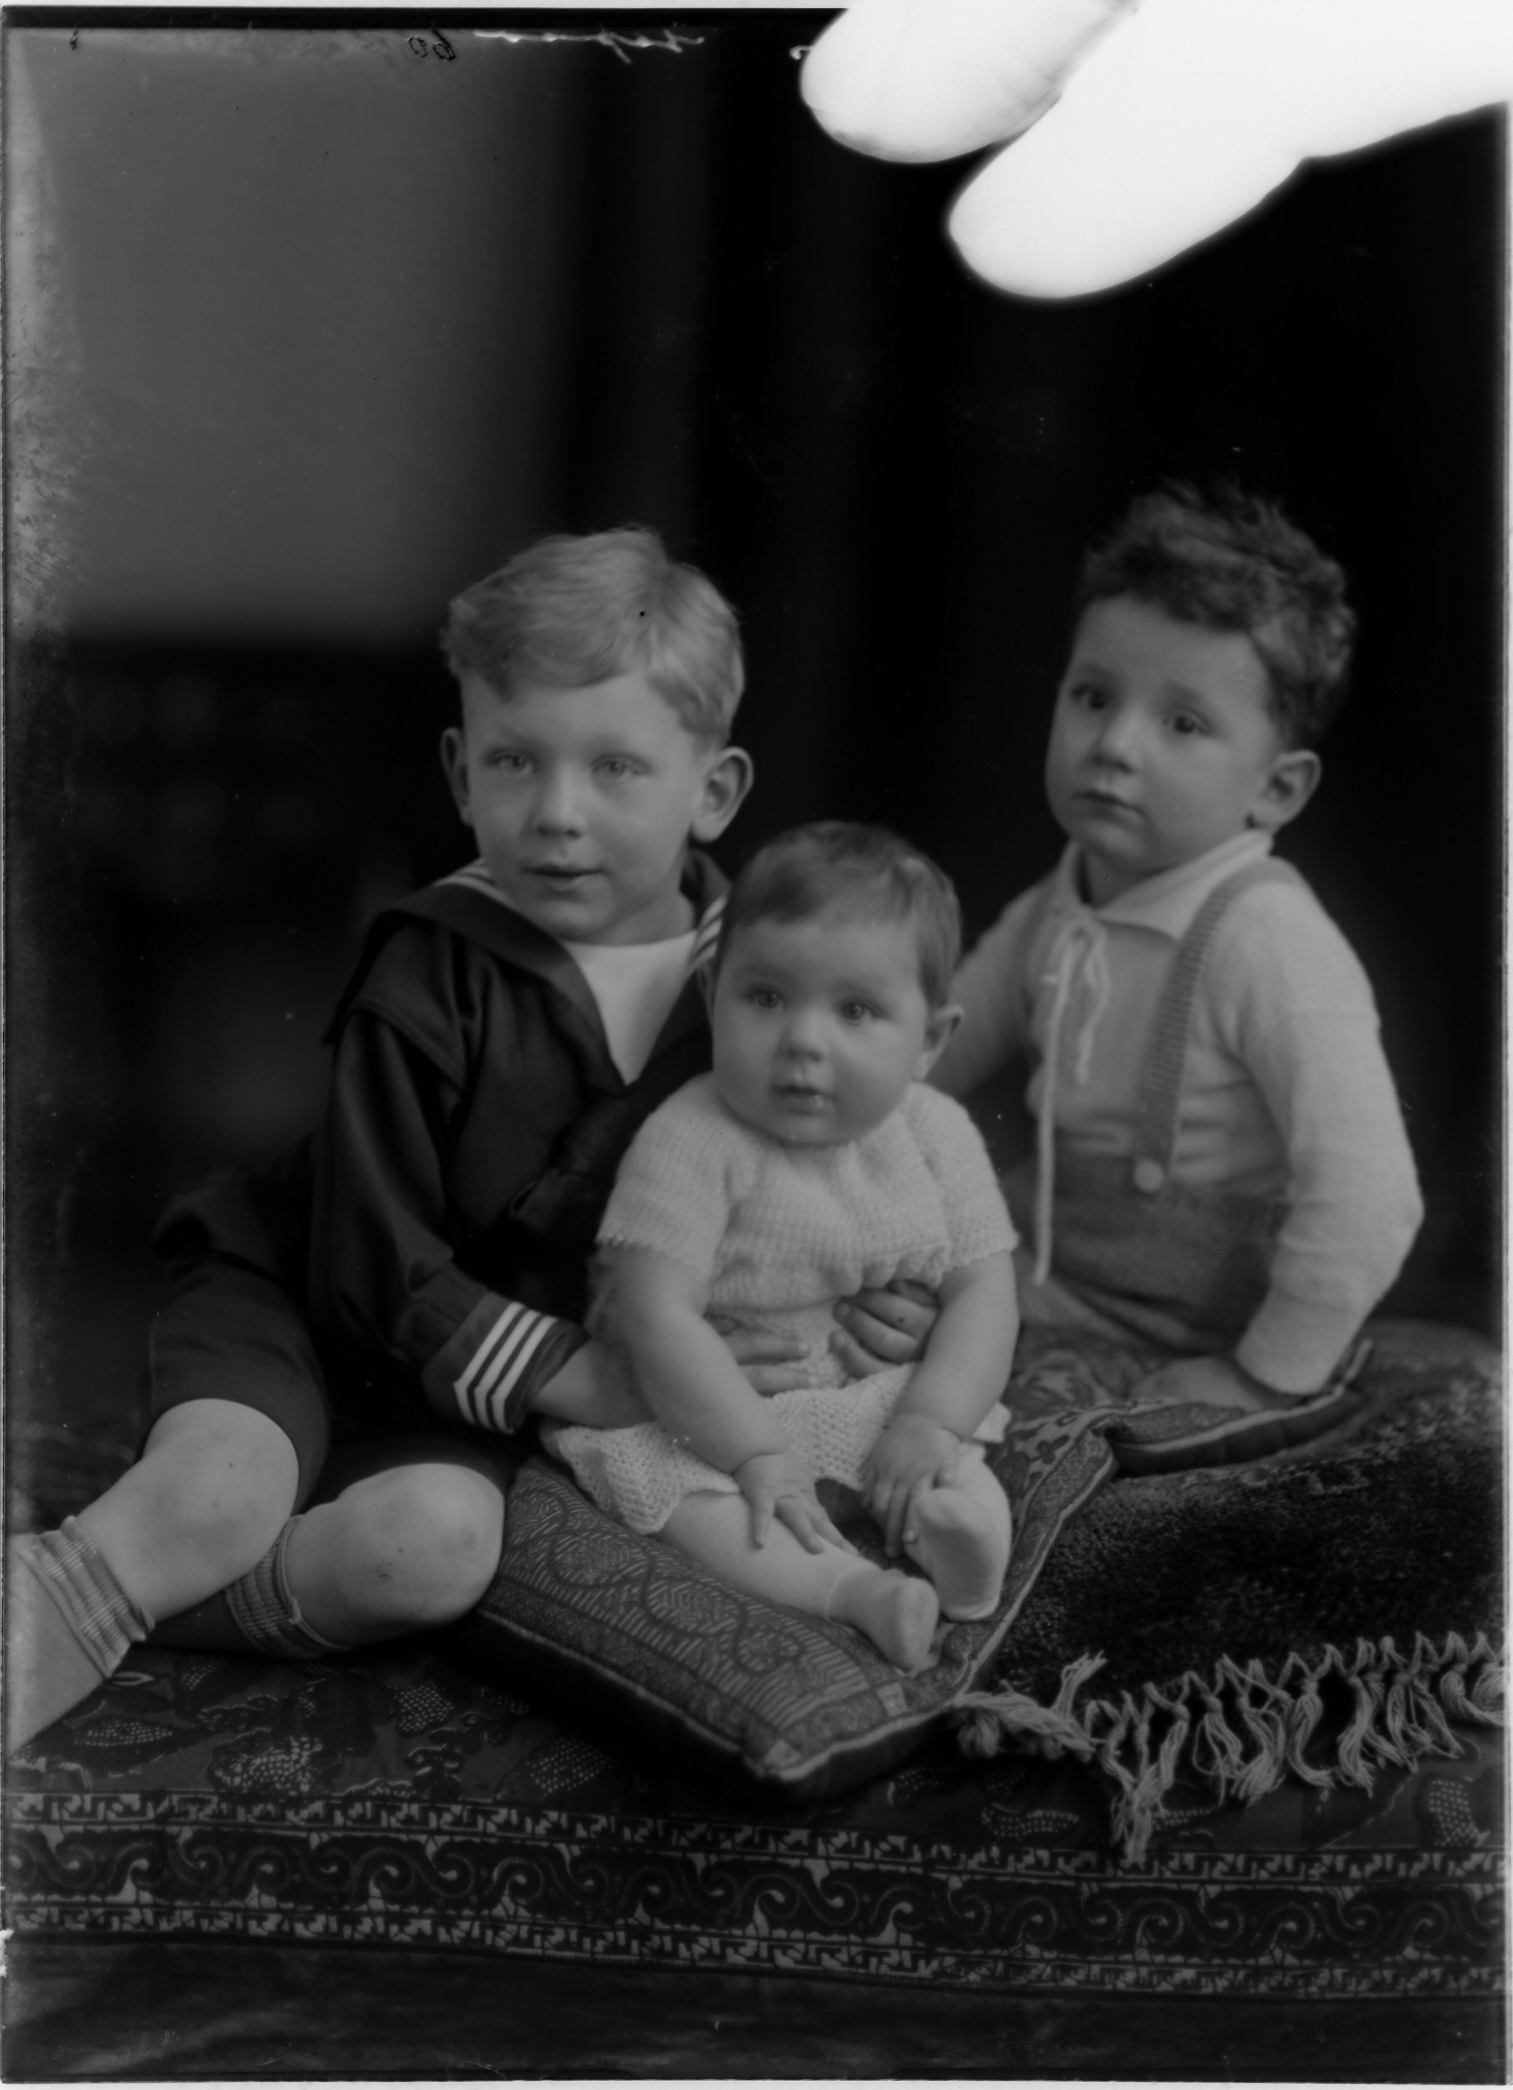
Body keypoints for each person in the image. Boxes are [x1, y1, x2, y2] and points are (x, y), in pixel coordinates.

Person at [7, 530, 928, 1751]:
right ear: (459, 771)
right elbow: (369, 1267)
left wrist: (876, 1291)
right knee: (219, 1492)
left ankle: (152, 1601)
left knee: (430, 1551)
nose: (557, 814)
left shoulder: (775, 989)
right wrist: (593, 1377)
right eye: (514, 760)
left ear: (713, 790)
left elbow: (840, 1175)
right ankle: (88, 1584)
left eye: (614, 767)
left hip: (465, 1399)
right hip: (309, 1301)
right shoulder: (429, 967)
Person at [932, 483, 1423, 1419]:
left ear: (1275, 791)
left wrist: (1260, 1375)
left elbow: (1371, 1197)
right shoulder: (1062, 897)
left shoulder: (1267, 941)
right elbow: (934, 1050)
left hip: (1187, 1324)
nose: (1113, 745)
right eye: (1092, 697)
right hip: (1051, 1268)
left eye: (1182, 723)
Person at [548, 824, 1020, 1675]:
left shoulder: (937, 1132)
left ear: (929, 1040)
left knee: (949, 1458)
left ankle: (962, 1548)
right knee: (695, 1502)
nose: (803, 1040)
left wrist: (929, 1421)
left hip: (877, 1394)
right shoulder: (692, 1136)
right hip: (713, 1409)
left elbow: (985, 1289)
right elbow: (655, 1314)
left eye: (855, 1011)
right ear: (712, 993)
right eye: (765, 998)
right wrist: (754, 1451)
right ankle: (854, 1591)